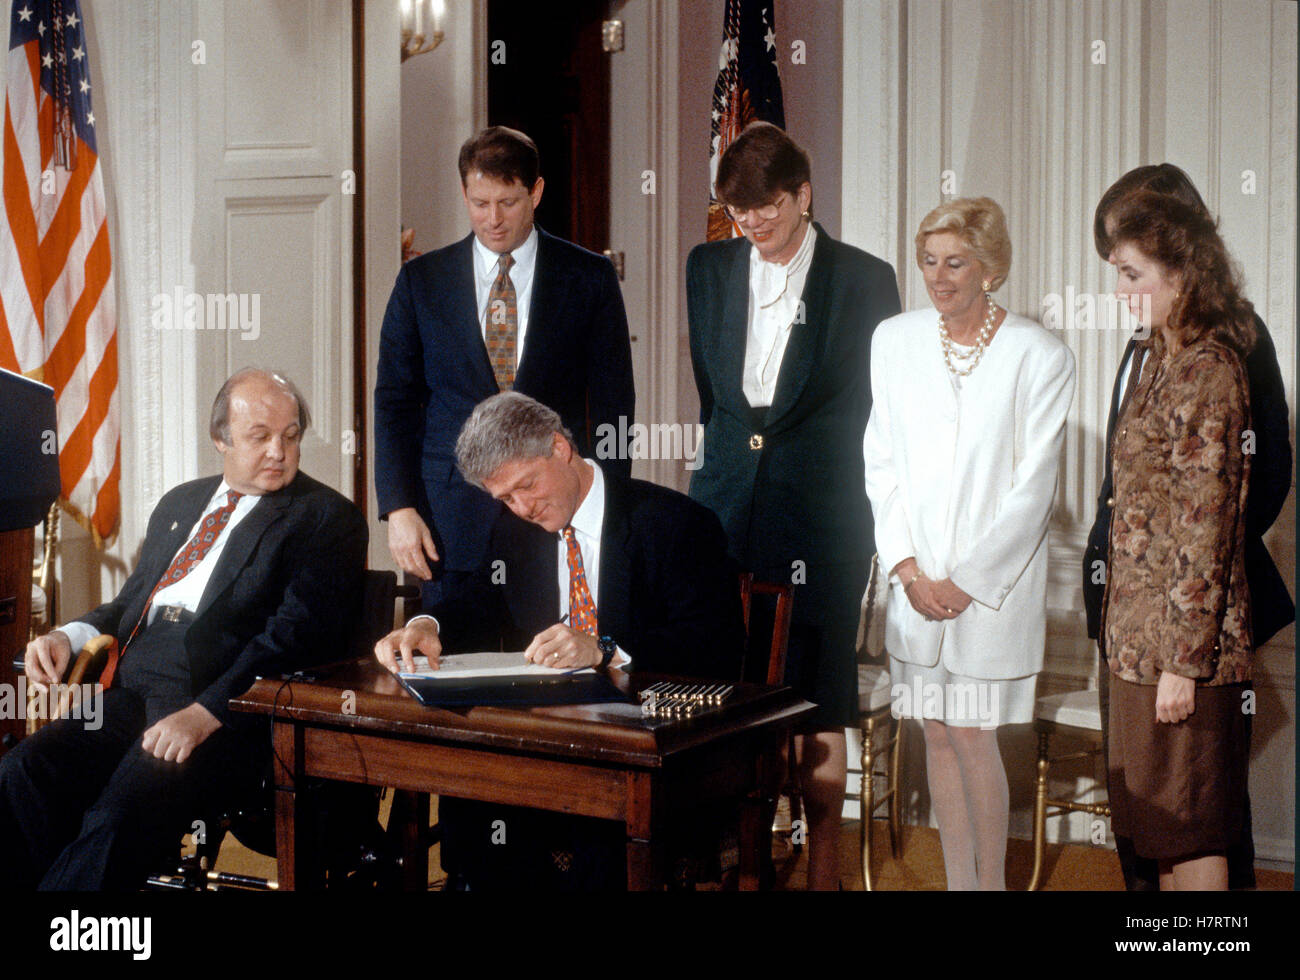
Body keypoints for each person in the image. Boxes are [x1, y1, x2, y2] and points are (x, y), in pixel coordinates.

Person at [0, 369, 368, 890]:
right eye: (259, 437)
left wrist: (204, 714)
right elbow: (131, 604)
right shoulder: (180, 503)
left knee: (115, 818)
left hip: (222, 707)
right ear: (220, 438)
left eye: (290, 436)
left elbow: (293, 639)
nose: (279, 452)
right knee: (23, 773)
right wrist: (71, 634)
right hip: (128, 692)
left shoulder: (326, 518)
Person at [374, 391, 744, 889]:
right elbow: (481, 599)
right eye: (504, 497)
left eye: (527, 485)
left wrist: (605, 648)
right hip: (550, 742)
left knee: (578, 834)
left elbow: (715, 644)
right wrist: (426, 627)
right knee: (472, 797)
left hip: (645, 745)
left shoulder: (675, 524)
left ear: (560, 447)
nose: (522, 507)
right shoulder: (514, 529)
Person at [685, 122, 902, 890]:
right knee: (717, 690)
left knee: (817, 696)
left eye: (767, 212)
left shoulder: (863, 278)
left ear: (803, 195)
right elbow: (715, 398)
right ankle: (728, 853)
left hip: (821, 517)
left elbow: (882, 408)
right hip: (721, 512)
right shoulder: (707, 268)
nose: (753, 229)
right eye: (740, 216)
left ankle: (823, 866)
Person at [1082, 163, 1292, 892]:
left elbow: (1206, 528)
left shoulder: (1209, 369)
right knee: (1163, 837)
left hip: (1182, 658)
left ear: (1181, 269)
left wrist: (1182, 659)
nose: (1119, 291)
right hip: (1139, 647)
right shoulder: (1158, 357)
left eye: (1131, 270)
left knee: (1194, 831)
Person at [863, 197, 1075, 891]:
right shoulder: (893, 339)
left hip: (991, 596)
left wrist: (966, 580)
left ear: (990, 267)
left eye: (956, 262)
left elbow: (1033, 488)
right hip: (915, 587)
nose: (939, 277)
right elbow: (880, 462)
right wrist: (907, 569)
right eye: (929, 261)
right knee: (937, 734)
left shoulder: (1038, 355)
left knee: (974, 735)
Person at [374, 126, 635, 610]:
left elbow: (614, 404)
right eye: (479, 203)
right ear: (465, 194)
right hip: (448, 521)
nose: (492, 219)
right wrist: (398, 506)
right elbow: (394, 401)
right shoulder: (421, 281)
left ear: (535, 192)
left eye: (508, 203)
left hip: (552, 511)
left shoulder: (588, 278)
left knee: (552, 665)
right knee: (449, 664)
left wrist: (607, 507)